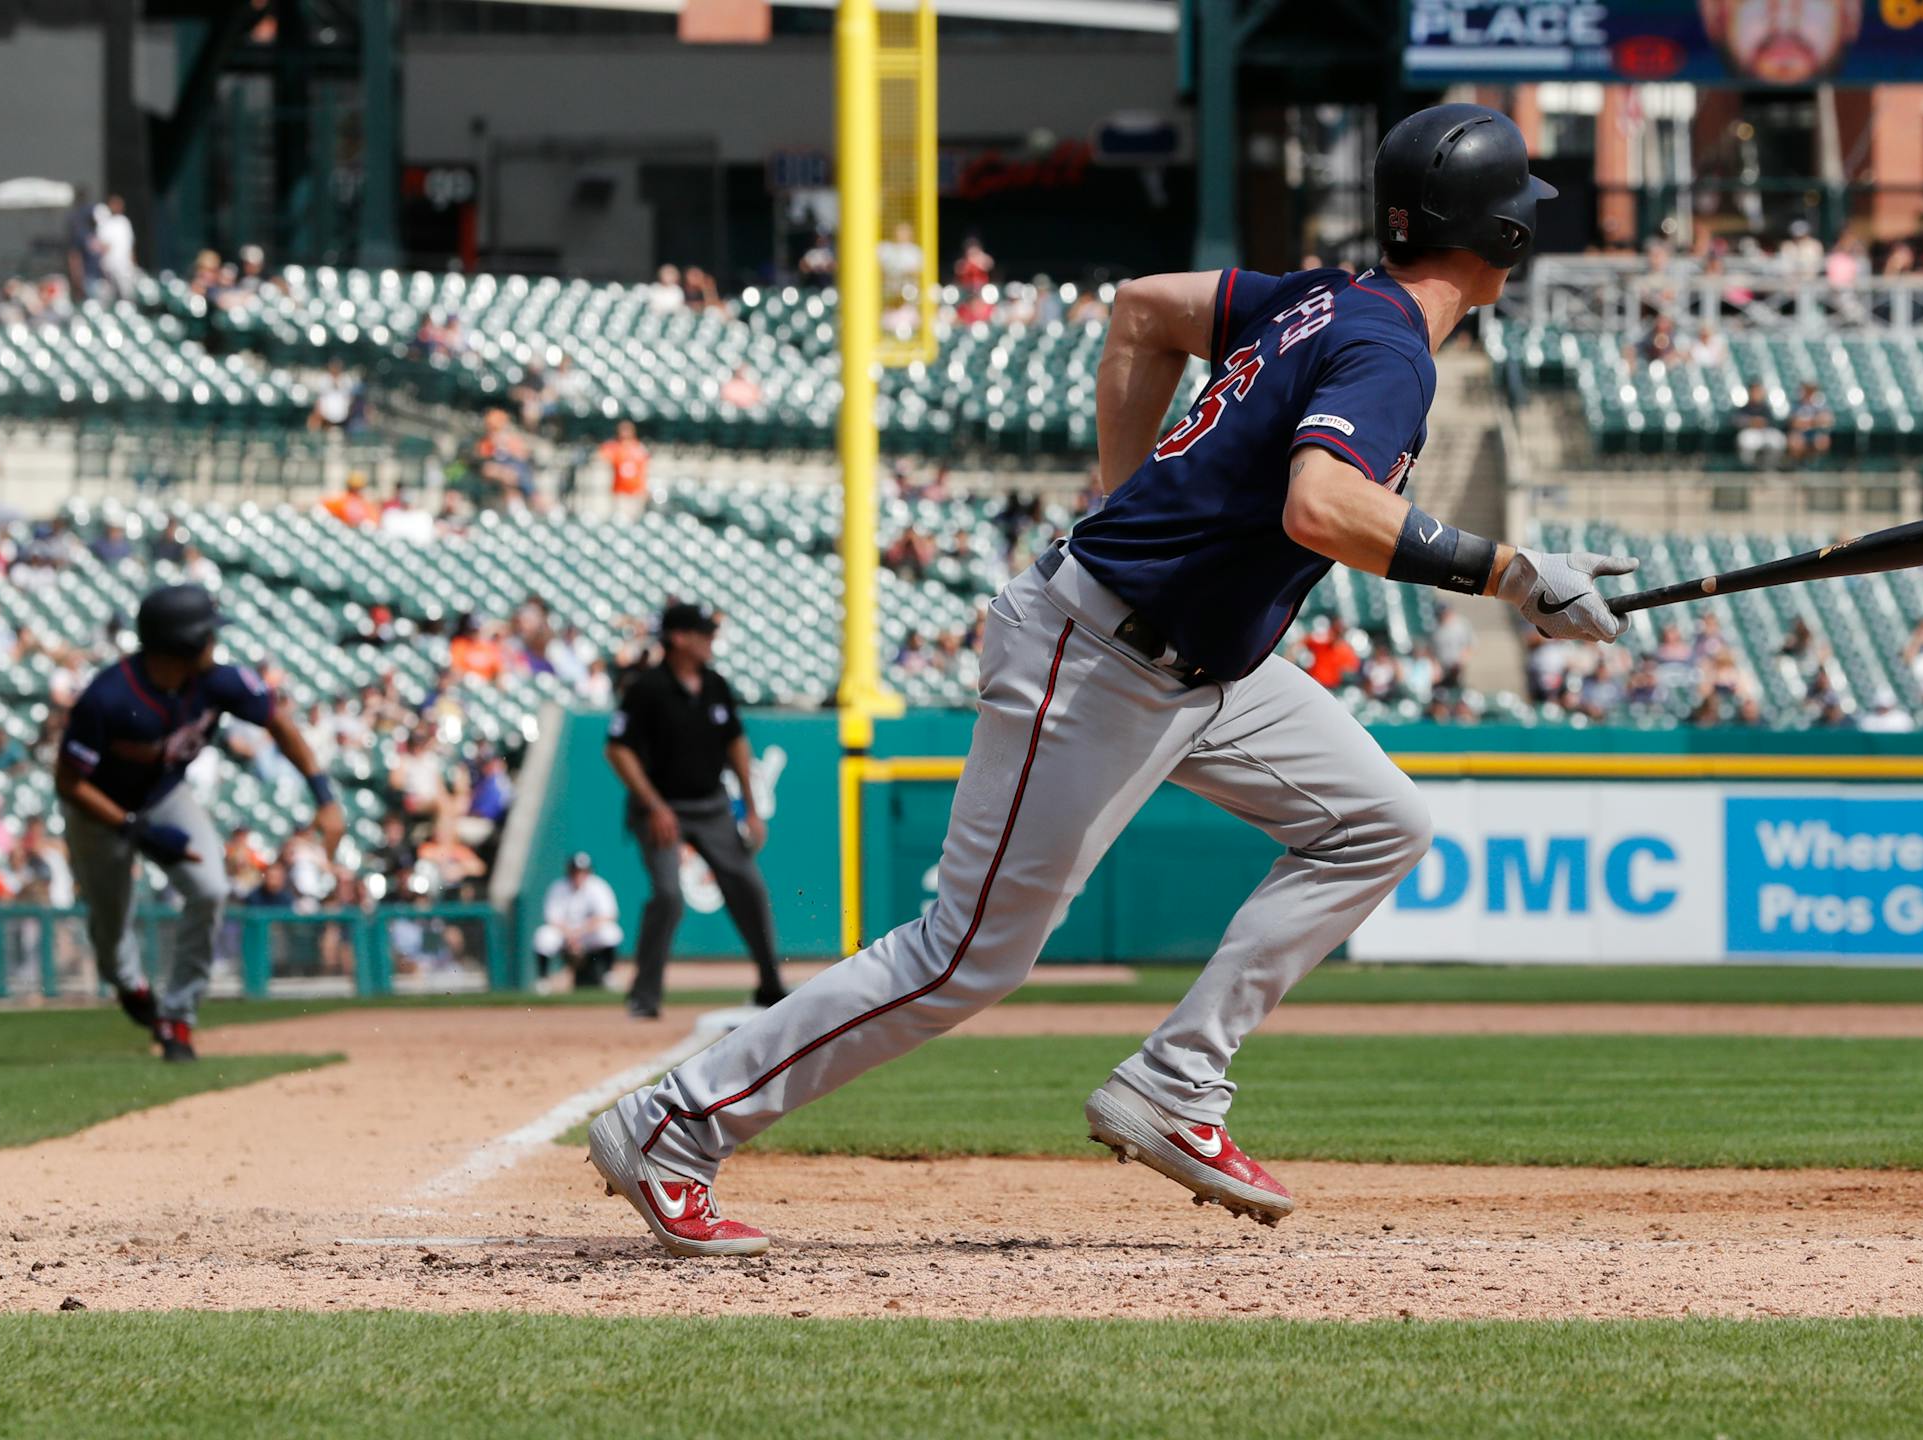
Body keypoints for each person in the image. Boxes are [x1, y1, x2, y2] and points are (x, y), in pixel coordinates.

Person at [586, 104, 1627, 1257]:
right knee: (966, 954)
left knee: (1379, 821)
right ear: (1502, 240)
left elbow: (1143, 310)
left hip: (1205, 665)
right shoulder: (1387, 348)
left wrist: (1121, 496)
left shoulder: (1325, 295)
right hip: (1098, 658)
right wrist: (1512, 571)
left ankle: (1179, 1083)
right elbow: (1322, 507)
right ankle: (674, 1122)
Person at [55, 585, 343, 1061]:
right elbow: (69, 783)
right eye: (208, 634)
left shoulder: (217, 681)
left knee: (211, 889)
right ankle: (132, 988)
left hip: (165, 795)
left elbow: (280, 723)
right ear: (182, 645)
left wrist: (325, 797)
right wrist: (134, 828)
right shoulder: (107, 697)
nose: (215, 643)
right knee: (110, 922)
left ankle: (178, 1016)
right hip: (99, 811)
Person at [603, 601, 786, 1020]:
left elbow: (736, 745)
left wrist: (751, 810)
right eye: (703, 633)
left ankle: (770, 984)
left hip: (711, 807)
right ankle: (644, 995)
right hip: (661, 809)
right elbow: (617, 749)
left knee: (749, 888)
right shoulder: (647, 688)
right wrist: (653, 805)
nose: (711, 640)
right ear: (678, 638)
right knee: (668, 895)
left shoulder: (716, 684)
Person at [534, 852, 623, 988]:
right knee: (543, 936)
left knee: (610, 932)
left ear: (589, 872)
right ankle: (543, 981)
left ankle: (608, 975)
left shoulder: (598, 886)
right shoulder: (559, 887)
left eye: (582, 871)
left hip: (588, 935)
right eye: (575, 871)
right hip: (564, 935)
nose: (578, 875)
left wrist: (580, 933)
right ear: (569, 871)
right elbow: (551, 918)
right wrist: (570, 934)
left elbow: (609, 915)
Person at [598, 420, 651, 515]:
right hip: (620, 492)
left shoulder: (639, 447)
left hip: (636, 492)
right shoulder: (615, 447)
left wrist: (644, 489)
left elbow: (643, 471)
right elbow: (602, 455)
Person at [1734, 381, 1786, 469]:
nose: (1757, 394)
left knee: (1778, 440)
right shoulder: (1745, 408)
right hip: (1750, 433)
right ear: (1750, 393)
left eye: (1759, 391)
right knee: (1746, 441)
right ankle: (1749, 467)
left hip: (1764, 432)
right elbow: (1736, 421)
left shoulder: (1765, 408)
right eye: (1755, 391)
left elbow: (1771, 422)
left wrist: (1762, 423)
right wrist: (1751, 422)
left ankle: (1770, 467)